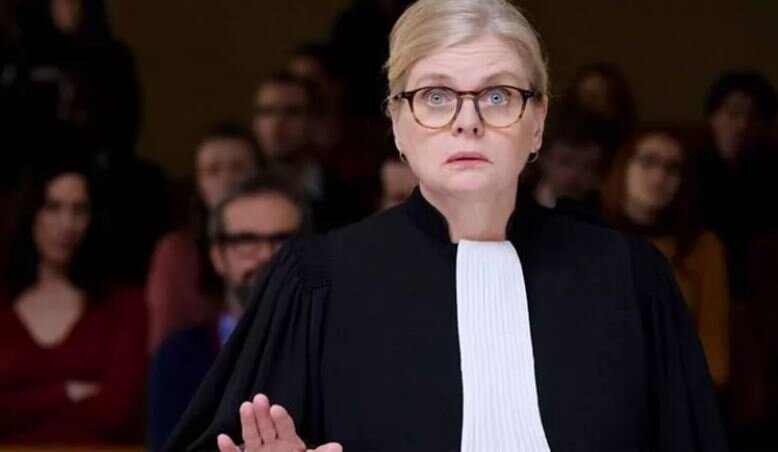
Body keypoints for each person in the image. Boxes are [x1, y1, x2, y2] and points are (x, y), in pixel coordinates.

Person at [168, 1, 727, 451]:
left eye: (498, 96)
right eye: (436, 97)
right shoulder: (319, 281)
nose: (468, 121)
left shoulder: (628, 278)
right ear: (397, 124)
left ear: (537, 122)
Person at [149, 176, 305, 451]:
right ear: (218, 257)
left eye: (282, 240)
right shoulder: (179, 355)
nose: (266, 256)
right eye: (246, 241)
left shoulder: (341, 349)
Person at [0, 161, 147, 444]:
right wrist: (66, 392)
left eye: (79, 210)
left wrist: (22, 403)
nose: (67, 224)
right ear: (31, 213)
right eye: (53, 207)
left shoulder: (125, 306)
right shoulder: (4, 307)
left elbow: (115, 411)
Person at [602, 129, 731, 388]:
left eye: (672, 168)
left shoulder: (703, 248)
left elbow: (714, 350)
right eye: (648, 161)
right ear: (624, 167)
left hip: (679, 392)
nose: (659, 177)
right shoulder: (589, 239)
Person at [146, 123, 261, 353]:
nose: (227, 179)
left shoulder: (278, 244)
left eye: (238, 168)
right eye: (212, 171)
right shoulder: (177, 252)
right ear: (198, 184)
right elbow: (164, 348)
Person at [696, 72, 778, 297]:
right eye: (733, 114)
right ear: (713, 117)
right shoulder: (689, 166)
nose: (742, 125)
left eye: (754, 117)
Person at [251, 72, 369, 231]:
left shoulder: (347, 197)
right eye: (267, 112)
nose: (278, 123)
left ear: (314, 120)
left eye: (292, 112)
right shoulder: (241, 189)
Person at [530, 109, 612, 210]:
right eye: (566, 162)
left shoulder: (604, 212)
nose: (575, 174)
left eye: (588, 166)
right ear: (543, 158)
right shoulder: (517, 205)